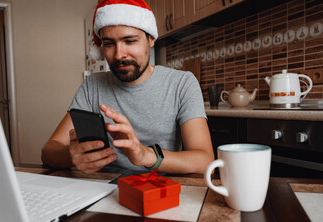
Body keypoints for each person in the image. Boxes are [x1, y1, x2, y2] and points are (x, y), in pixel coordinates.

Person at [41, 0, 214, 174]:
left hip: (161, 191)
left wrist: (145, 155)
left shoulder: (182, 83)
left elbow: (205, 161)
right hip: (106, 190)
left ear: (151, 39)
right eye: (109, 44)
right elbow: (48, 151)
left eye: (130, 41)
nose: (119, 55)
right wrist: (72, 155)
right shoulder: (92, 85)